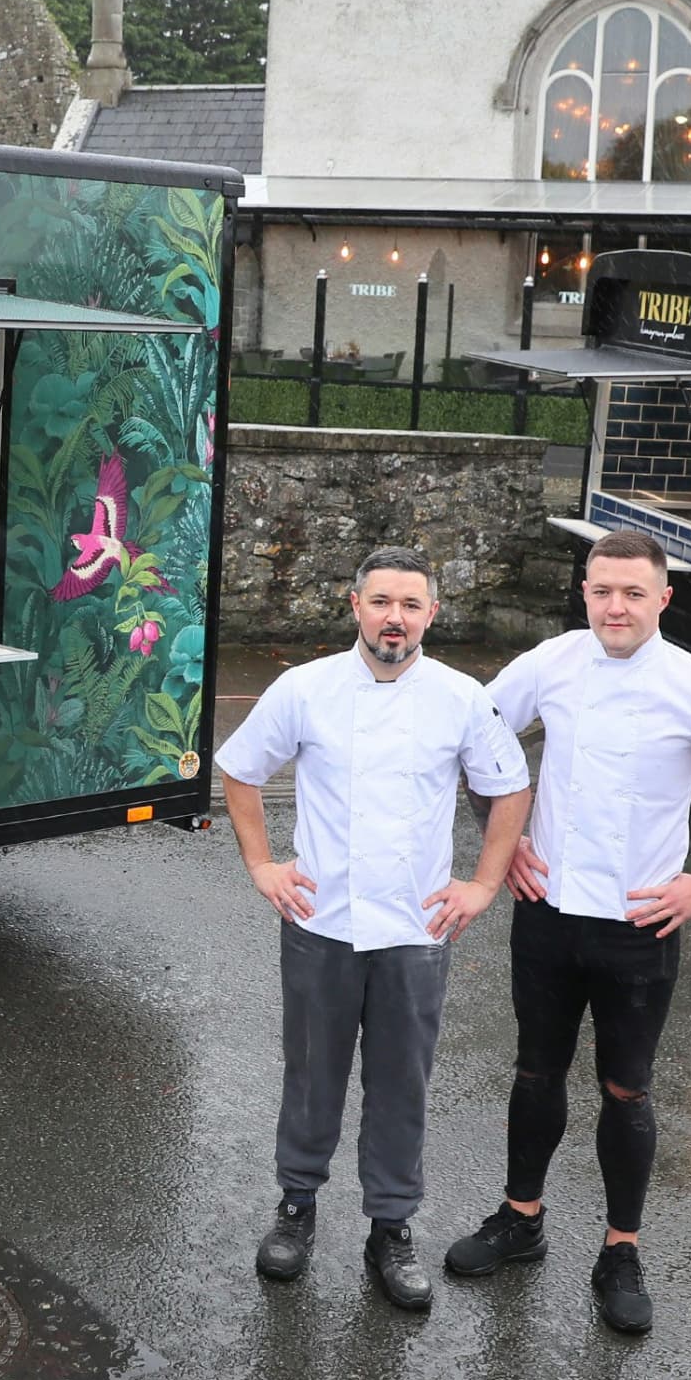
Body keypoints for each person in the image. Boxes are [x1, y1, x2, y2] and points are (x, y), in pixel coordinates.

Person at [443, 528, 691, 1335]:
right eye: (602, 589)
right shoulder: (553, 662)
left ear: (662, 598)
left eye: (633, 592)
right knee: (535, 1073)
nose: (615, 606)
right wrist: (508, 843)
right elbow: (478, 739)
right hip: (547, 913)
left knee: (625, 1088)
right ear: (584, 592)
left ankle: (619, 1250)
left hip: (639, 924)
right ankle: (520, 1218)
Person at [217, 544, 534, 1312]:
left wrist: (484, 882)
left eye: (411, 604)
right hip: (320, 920)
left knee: (400, 1084)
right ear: (353, 604)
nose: (395, 617)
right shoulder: (306, 688)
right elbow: (240, 770)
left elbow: (509, 788)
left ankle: (390, 1226)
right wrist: (263, 866)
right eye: (382, 601)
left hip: (415, 927)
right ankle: (296, 1207)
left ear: (432, 613)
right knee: (311, 1072)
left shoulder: (459, 697)